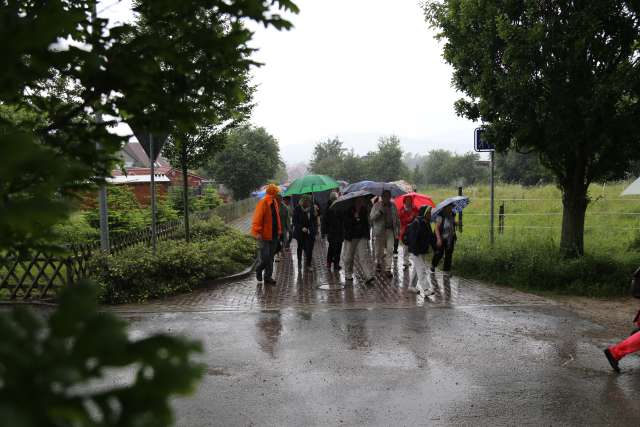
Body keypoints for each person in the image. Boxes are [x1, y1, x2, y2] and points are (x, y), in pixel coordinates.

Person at [251, 184, 282, 285]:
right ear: (273, 193)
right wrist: (257, 232)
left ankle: (268, 277)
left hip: (274, 234)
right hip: (264, 235)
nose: (279, 194)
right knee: (266, 256)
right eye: (277, 193)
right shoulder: (264, 202)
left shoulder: (275, 202)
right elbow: (257, 218)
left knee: (271, 257)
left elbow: (277, 219)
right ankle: (259, 269)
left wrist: (279, 231)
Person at [343, 196, 375, 285]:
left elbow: (366, 224)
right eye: (359, 200)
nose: (361, 202)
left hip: (361, 236)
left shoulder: (364, 210)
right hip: (351, 237)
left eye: (362, 200)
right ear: (355, 201)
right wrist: (354, 218)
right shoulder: (349, 210)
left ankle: (368, 276)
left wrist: (367, 236)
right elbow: (346, 224)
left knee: (363, 256)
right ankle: (348, 273)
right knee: (349, 256)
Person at [405, 206, 436, 297]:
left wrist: (435, 248)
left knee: (417, 268)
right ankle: (426, 289)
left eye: (430, 213)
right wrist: (415, 251)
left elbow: (430, 237)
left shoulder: (426, 223)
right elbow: (413, 239)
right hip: (416, 250)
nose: (430, 215)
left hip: (422, 250)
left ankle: (411, 286)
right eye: (428, 213)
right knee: (421, 268)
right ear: (424, 214)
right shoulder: (417, 223)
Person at [370, 190, 400, 278]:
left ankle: (388, 269)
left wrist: (397, 231)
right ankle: (378, 262)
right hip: (380, 231)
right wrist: (380, 212)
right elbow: (371, 217)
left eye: (388, 196)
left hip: (390, 230)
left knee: (390, 249)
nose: (387, 198)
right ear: (382, 197)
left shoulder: (393, 206)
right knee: (379, 250)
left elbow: (397, 219)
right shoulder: (376, 205)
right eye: (385, 196)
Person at [293, 194, 316, 270]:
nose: (309, 203)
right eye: (307, 201)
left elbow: (313, 220)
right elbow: (295, 221)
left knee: (309, 248)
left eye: (310, 202)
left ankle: (308, 265)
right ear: (304, 201)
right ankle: (299, 261)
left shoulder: (312, 208)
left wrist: (315, 214)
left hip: (310, 232)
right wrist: (301, 228)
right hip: (300, 233)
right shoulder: (297, 208)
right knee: (300, 247)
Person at [431, 204, 456, 276]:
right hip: (441, 237)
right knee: (439, 254)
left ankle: (446, 271)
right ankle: (433, 265)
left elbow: (451, 223)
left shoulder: (453, 214)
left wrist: (456, 223)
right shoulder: (440, 216)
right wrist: (438, 239)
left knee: (449, 254)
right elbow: (436, 228)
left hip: (450, 238)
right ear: (445, 208)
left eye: (452, 207)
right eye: (450, 207)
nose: (451, 209)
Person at [322, 192, 344, 270]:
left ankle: (336, 264)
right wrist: (324, 232)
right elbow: (324, 220)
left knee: (338, 248)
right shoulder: (328, 208)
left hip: (340, 231)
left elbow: (343, 219)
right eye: (334, 199)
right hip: (332, 232)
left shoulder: (340, 207)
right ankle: (329, 263)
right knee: (332, 248)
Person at [399, 196, 420, 268]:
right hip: (405, 231)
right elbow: (401, 220)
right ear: (404, 201)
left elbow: (418, 217)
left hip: (413, 230)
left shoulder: (414, 208)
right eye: (407, 200)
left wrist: (415, 215)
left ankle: (410, 260)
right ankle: (405, 261)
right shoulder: (402, 209)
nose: (408, 202)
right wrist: (410, 217)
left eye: (410, 200)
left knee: (412, 246)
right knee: (405, 246)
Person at [274, 194, 291, 261]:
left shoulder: (284, 207)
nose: (279, 200)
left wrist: (288, 227)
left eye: (280, 199)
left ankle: (282, 251)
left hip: (283, 227)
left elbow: (287, 218)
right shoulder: (273, 207)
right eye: (277, 199)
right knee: (277, 241)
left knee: (284, 240)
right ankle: (278, 255)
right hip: (276, 228)